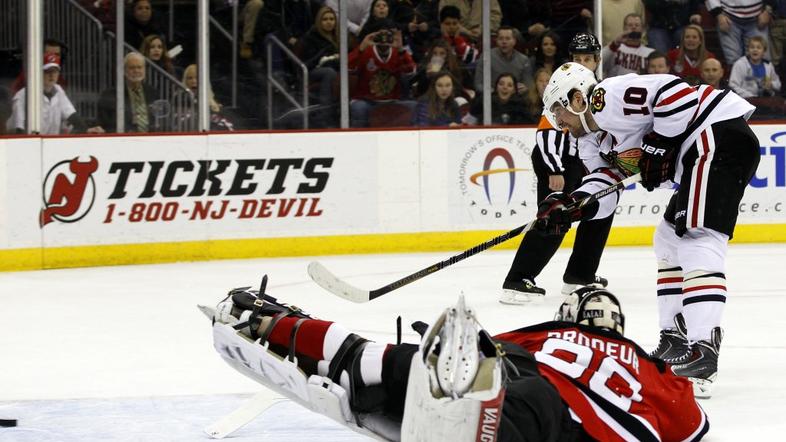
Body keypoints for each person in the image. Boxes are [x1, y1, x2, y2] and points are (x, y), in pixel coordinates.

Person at [206, 277, 709, 441]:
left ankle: (278, 327)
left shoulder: (551, 330)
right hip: (565, 427)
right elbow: (692, 429)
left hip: (531, 391)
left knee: (383, 357)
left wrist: (443, 356)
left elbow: (490, 348)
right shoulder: (655, 370)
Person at [541, 61, 759, 397]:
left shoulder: (606, 95)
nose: (558, 122)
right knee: (669, 240)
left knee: (698, 236)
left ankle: (703, 349)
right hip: (698, 152)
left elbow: (676, 92)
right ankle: (675, 338)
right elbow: (607, 187)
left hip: (715, 134)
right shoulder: (589, 142)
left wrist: (658, 143)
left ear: (576, 99)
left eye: (558, 110)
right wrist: (573, 206)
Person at [502, 33, 611, 304]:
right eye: (578, 59)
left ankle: (580, 276)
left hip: (583, 163)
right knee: (556, 219)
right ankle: (517, 280)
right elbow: (547, 131)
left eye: (588, 59)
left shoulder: (596, 89)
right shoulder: (565, 84)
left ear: (598, 60)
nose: (583, 64)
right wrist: (555, 169)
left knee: (599, 214)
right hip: (559, 163)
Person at [8, 54, 103, 135]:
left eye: (55, 71)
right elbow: (19, 129)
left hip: (49, 143)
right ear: (38, 73)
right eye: (47, 71)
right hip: (24, 144)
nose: (52, 75)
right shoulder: (23, 95)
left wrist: (87, 129)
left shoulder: (58, 90)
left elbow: (71, 115)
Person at [348, 19, 416, 127]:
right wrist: (361, 48)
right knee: (358, 108)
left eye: (388, 35)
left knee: (413, 106)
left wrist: (401, 50)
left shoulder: (398, 52)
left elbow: (410, 72)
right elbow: (348, 69)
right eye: (381, 35)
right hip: (366, 100)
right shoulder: (366, 50)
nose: (384, 39)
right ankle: (359, 140)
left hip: (392, 101)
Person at [97, 52, 162, 133]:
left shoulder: (153, 92)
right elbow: (104, 124)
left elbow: (160, 119)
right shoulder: (110, 95)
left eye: (139, 67)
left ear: (144, 70)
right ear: (124, 70)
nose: (136, 70)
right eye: (132, 67)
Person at [707, 0, 772, 66]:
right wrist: (718, 15)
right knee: (733, 61)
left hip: (757, 18)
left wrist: (768, 11)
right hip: (728, 18)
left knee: (761, 59)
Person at [473, 26, 534, 94]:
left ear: (514, 41)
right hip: (492, 98)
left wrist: (524, 89)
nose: (504, 42)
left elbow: (529, 86)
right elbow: (478, 84)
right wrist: (497, 93)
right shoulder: (486, 57)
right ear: (496, 40)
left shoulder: (524, 60)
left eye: (507, 38)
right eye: (501, 38)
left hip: (515, 99)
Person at [464, 73, 531, 125]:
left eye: (509, 85)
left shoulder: (520, 106)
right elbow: (467, 122)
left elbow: (531, 127)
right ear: (496, 88)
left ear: (514, 90)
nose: (505, 87)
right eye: (501, 84)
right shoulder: (483, 102)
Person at [602, 13, 655, 78]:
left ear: (643, 29)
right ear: (624, 28)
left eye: (637, 25)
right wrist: (615, 43)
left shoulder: (650, 53)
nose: (633, 27)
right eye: (630, 25)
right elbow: (599, 62)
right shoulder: (614, 48)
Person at [437, 0, 501, 40]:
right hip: (457, 35)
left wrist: (482, 29)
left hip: (482, 38)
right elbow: (443, 19)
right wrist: (466, 32)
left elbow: (496, 17)